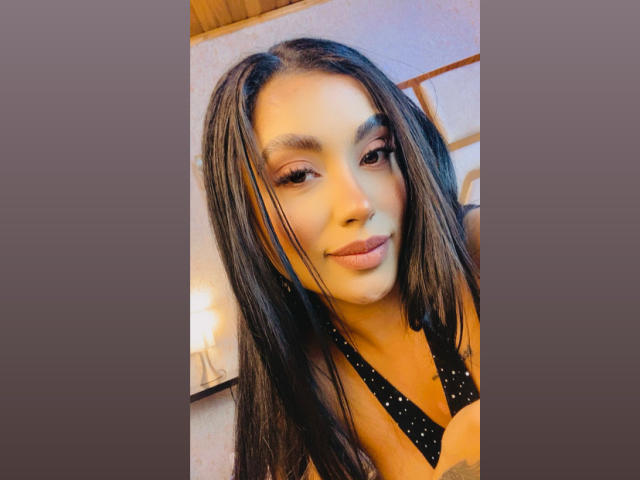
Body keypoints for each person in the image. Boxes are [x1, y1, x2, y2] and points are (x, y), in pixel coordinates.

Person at [201, 38, 480, 480]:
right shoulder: (300, 424)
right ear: (243, 216)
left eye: (374, 155)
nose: (359, 204)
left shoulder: (476, 250)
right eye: (297, 175)